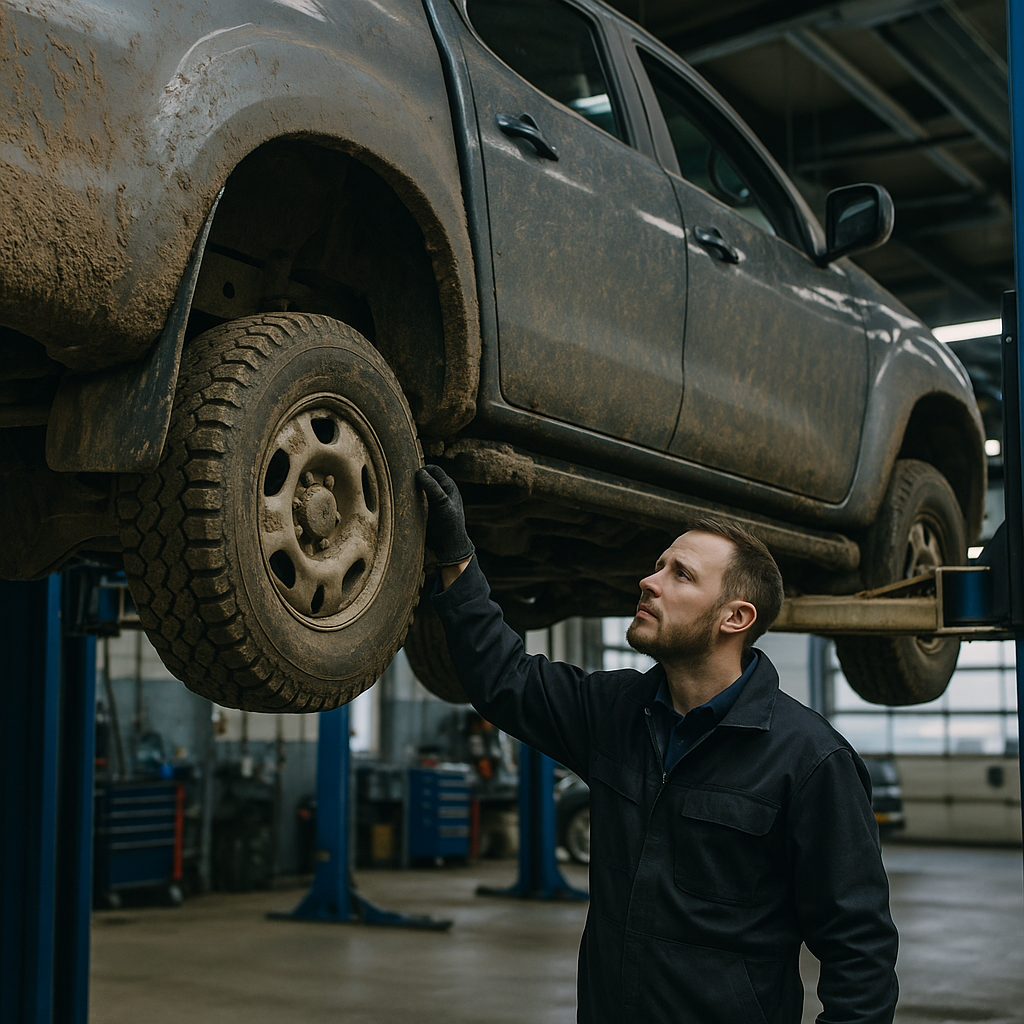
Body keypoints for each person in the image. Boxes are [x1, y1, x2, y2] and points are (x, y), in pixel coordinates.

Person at [415, 465, 899, 1024]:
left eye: (682, 575)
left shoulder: (811, 761)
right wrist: (456, 558)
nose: (650, 581)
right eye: (657, 567)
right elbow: (504, 680)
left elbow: (860, 954)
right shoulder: (616, 711)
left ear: (735, 617)